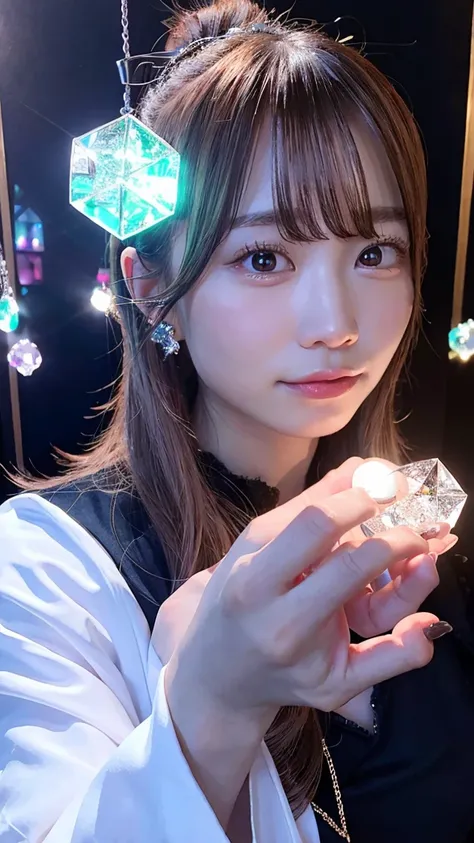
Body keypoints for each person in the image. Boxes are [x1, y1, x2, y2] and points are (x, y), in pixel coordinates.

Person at [1, 2, 473, 841]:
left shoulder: (415, 537)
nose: (336, 321)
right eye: (264, 258)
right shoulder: (49, 566)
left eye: (374, 252)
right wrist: (213, 702)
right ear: (151, 288)